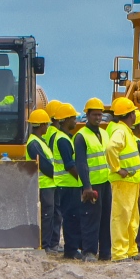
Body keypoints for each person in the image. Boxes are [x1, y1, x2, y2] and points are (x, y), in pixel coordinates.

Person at [105, 97, 140, 261]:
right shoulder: (120, 131)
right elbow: (110, 148)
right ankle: (120, 253)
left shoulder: (126, 131)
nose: (136, 115)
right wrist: (117, 169)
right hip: (123, 182)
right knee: (122, 217)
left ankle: (130, 249)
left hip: (131, 182)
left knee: (132, 218)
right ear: (130, 115)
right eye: (134, 112)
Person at [76, 98, 113, 261]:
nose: (98, 118)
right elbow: (81, 162)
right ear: (87, 115)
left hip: (105, 182)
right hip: (91, 185)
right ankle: (89, 252)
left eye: (100, 115)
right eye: (94, 115)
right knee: (90, 218)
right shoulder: (81, 137)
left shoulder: (104, 134)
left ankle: (105, 252)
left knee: (105, 218)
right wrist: (87, 186)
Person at [45, 101, 84, 259]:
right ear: (65, 120)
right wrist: (83, 181)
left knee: (71, 218)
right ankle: (71, 251)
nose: (75, 121)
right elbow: (70, 165)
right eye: (73, 118)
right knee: (71, 219)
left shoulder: (65, 138)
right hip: (67, 184)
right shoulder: (63, 140)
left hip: (67, 184)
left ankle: (72, 248)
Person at [25, 109, 60, 255]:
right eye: (46, 124)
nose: (47, 127)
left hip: (49, 184)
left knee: (50, 215)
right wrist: (57, 175)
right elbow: (44, 165)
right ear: (41, 125)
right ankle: (44, 245)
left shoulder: (39, 141)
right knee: (46, 215)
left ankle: (49, 244)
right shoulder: (34, 144)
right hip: (44, 184)